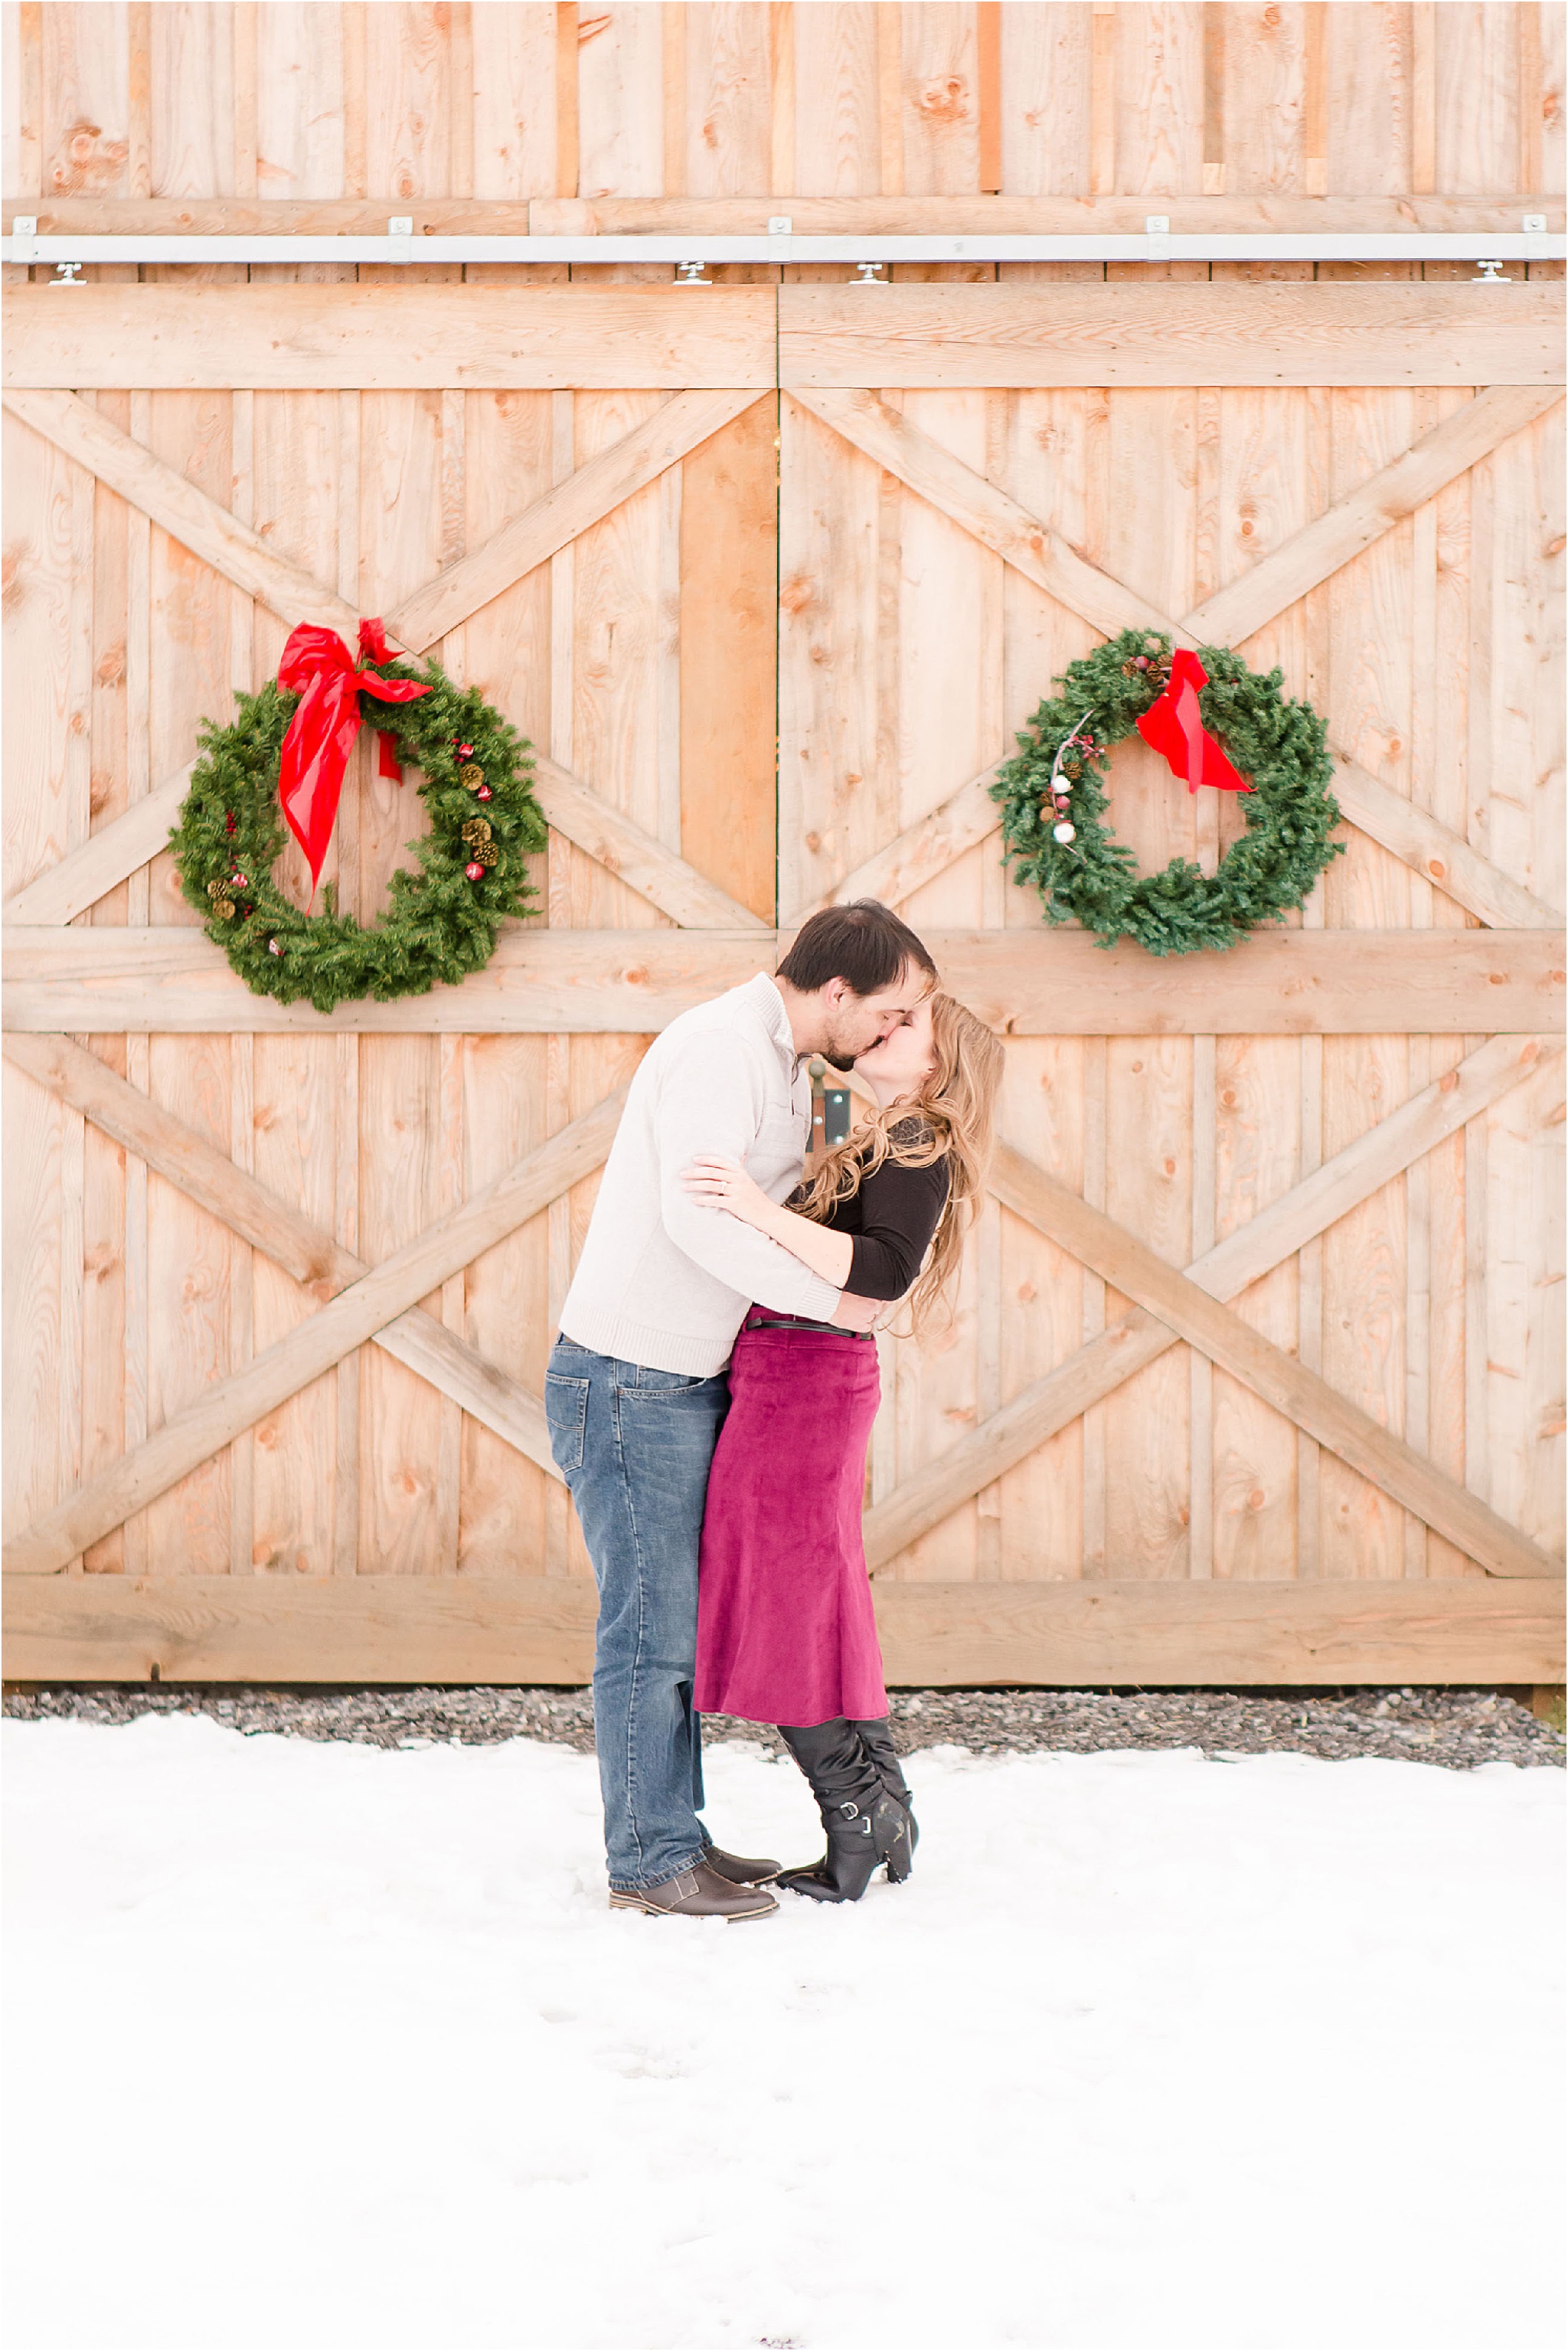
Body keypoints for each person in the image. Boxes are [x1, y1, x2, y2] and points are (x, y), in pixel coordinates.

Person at [544, 901, 938, 1924]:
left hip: (690, 1376)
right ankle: (650, 1858)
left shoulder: (811, 1076)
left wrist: (904, 1148)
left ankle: (671, 1830)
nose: (894, 1033)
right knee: (650, 1634)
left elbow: (827, 1195)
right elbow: (695, 1214)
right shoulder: (720, 1047)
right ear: (838, 992)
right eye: (889, 1013)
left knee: (680, 1625)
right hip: (631, 1374)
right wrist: (845, 1307)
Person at [684, 991, 1004, 1901]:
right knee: (815, 1593)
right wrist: (818, 1055)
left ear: (937, 1068)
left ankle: (854, 1813)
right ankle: (883, 1803)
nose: (883, 1029)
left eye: (905, 1027)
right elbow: (820, 1111)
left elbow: (880, 1268)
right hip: (796, 1371)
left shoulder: (917, 1140)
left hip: (804, 1379)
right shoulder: (870, 1127)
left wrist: (750, 1205)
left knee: (783, 1597)